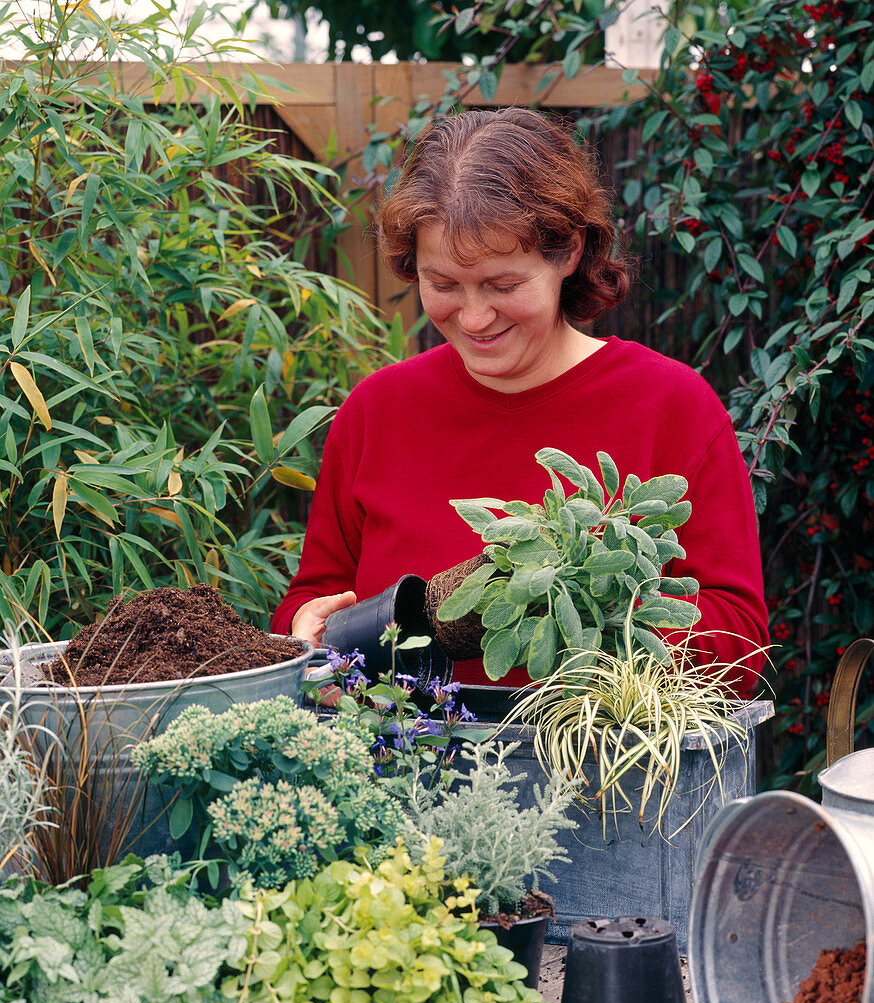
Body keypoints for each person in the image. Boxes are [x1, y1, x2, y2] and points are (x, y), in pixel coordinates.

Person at [272, 107, 768, 695]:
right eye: (443, 284)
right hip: (395, 766)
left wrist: (572, 613)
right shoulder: (377, 411)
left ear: (570, 253)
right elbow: (313, 604)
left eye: (504, 286)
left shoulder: (671, 406)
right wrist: (303, 638)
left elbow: (739, 645)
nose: (474, 317)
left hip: (603, 771)